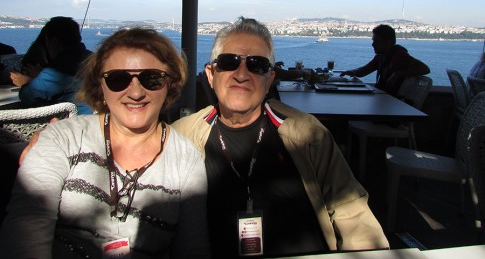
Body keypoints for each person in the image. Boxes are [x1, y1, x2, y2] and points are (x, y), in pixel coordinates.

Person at [172, 17, 389, 258]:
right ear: (211, 75)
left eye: (257, 65)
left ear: (269, 81)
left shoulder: (308, 135)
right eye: (229, 62)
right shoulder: (181, 137)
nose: (241, 74)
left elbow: (352, 214)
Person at [0, 27, 210, 259]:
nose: (136, 92)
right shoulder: (63, 139)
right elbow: (27, 231)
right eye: (118, 79)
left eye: (152, 79)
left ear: (170, 84)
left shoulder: (186, 158)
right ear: (100, 86)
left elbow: (192, 250)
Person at [9, 16, 92, 114]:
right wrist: (41, 76)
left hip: (71, 123)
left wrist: (27, 82)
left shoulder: (60, 67)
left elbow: (28, 96)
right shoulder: (93, 58)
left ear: (53, 41)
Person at [340, 24, 430, 95]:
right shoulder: (381, 56)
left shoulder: (399, 55)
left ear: (388, 42)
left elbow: (425, 68)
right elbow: (364, 70)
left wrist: (397, 75)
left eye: (376, 41)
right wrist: (351, 72)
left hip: (392, 104)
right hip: (384, 98)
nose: (373, 45)